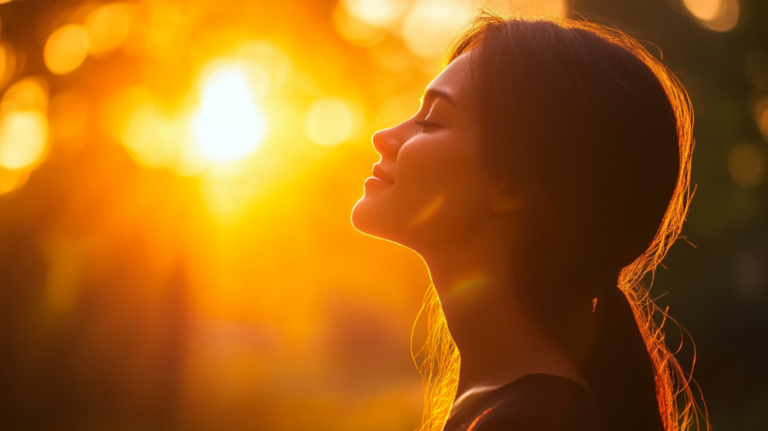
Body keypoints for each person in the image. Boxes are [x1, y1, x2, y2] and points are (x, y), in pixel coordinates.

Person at [351, 12, 702, 431]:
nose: (384, 136)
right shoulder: (517, 406)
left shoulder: (525, 420)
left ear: (513, 185)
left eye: (432, 121)